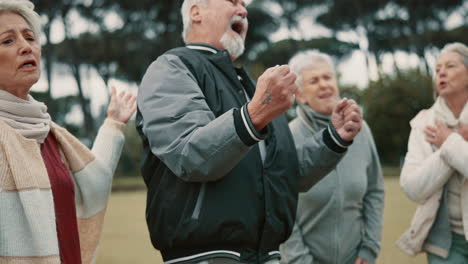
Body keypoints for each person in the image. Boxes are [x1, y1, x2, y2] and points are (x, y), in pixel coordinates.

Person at [136, 0, 363, 263]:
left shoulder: (252, 88)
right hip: (205, 257)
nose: (243, 10)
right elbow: (191, 154)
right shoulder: (170, 68)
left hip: (267, 255)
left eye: (245, 5)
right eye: (233, 1)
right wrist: (253, 115)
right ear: (196, 12)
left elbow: (285, 172)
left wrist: (334, 138)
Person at [0, 0, 137, 263]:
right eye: (7, 41)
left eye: (30, 37)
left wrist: (113, 125)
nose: (26, 46)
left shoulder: (49, 133)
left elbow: (94, 179)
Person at [279, 50, 384, 264]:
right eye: (314, 80)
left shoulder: (360, 130)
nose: (324, 84)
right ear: (299, 94)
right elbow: (280, 211)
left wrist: (369, 248)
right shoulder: (287, 137)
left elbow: (375, 191)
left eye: (328, 77)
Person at [396, 42, 468, 263]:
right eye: (437, 69)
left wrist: (449, 142)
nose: (442, 72)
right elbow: (413, 188)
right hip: (444, 244)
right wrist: (451, 145)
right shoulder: (423, 123)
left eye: (451, 66)